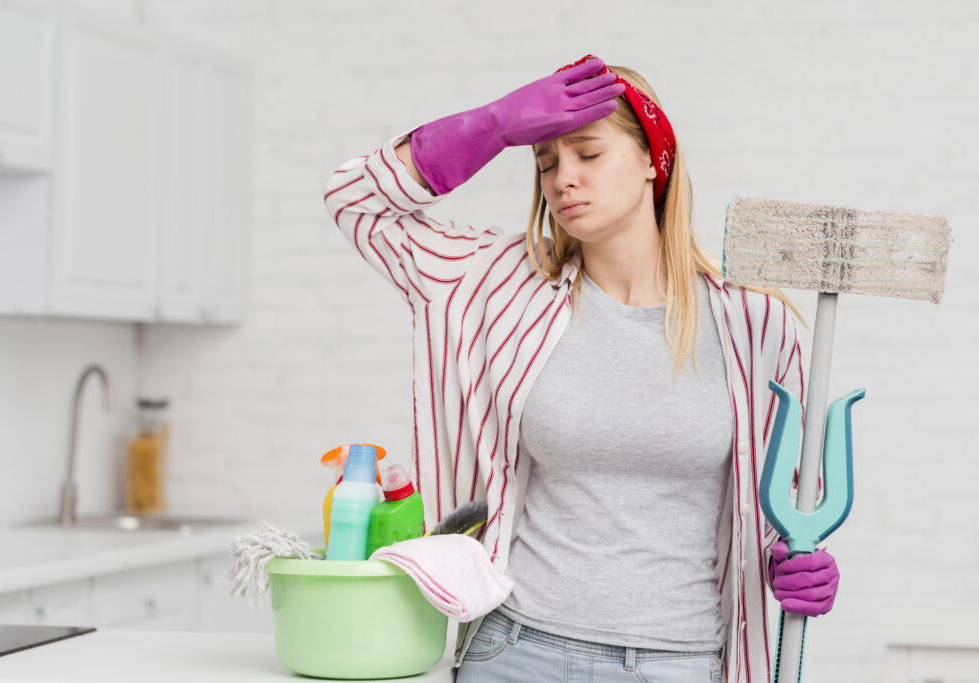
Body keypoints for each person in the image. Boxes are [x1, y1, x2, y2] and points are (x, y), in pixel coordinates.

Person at [323, 54, 840, 683]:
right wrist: (490, 126)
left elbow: (775, 510)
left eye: (588, 154)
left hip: (678, 661)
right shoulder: (499, 283)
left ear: (653, 158)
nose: (563, 178)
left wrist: (790, 562)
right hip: (514, 650)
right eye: (545, 163)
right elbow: (356, 202)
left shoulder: (757, 327)